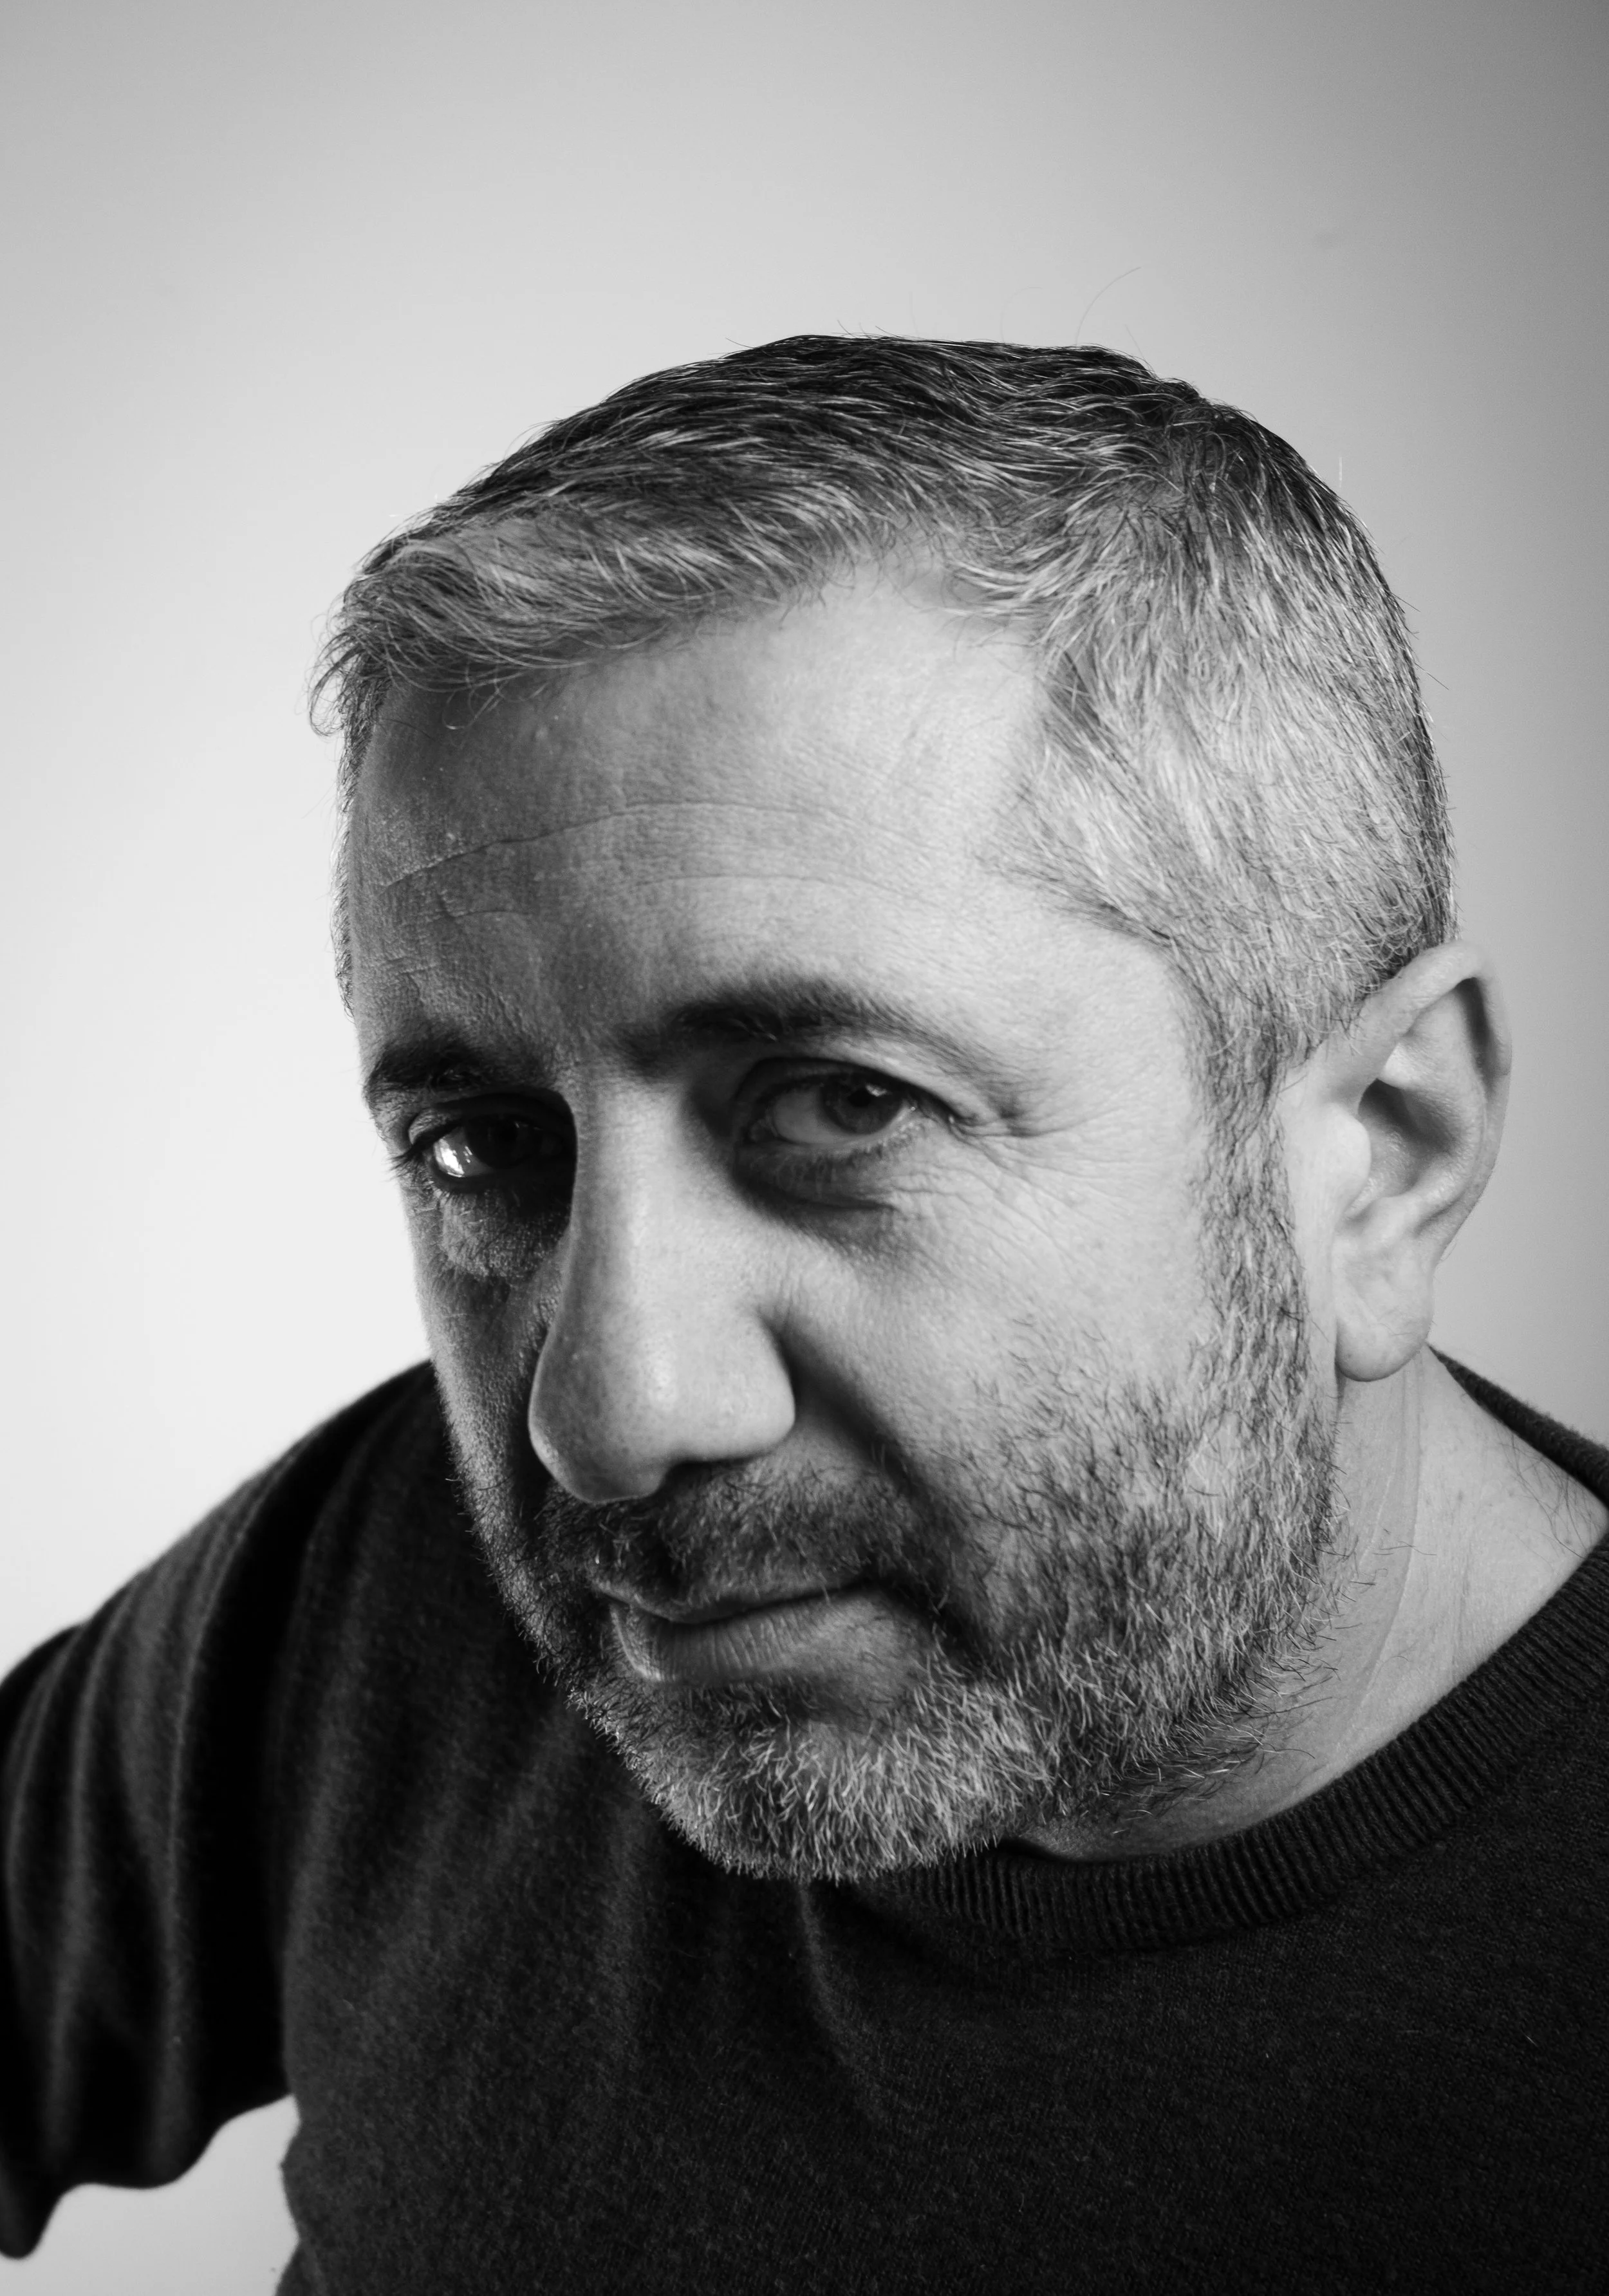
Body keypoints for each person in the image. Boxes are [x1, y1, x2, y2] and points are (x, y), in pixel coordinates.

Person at [3, 337, 1605, 2293]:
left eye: (842, 1104)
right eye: (487, 1148)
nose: (607, 1413)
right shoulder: (397, 1589)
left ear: (1383, 1150)